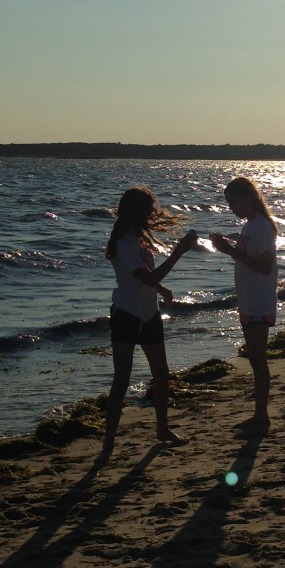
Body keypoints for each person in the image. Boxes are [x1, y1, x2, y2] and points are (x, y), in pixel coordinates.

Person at [103, 186, 198, 454]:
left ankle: (162, 428)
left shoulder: (140, 239)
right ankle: (108, 440)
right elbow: (148, 277)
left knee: (161, 373)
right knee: (121, 379)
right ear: (139, 212)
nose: (152, 214)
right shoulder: (123, 244)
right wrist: (178, 252)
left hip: (149, 313)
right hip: (126, 315)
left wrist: (162, 291)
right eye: (149, 209)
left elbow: (149, 278)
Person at [210, 177, 278, 436]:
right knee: (255, 360)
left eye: (234, 202)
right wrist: (228, 246)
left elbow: (264, 266)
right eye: (229, 203)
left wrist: (228, 250)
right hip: (250, 300)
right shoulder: (251, 226)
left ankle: (262, 419)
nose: (232, 208)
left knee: (259, 361)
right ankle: (258, 415)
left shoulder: (261, 226)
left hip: (259, 301)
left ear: (248, 198)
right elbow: (251, 258)